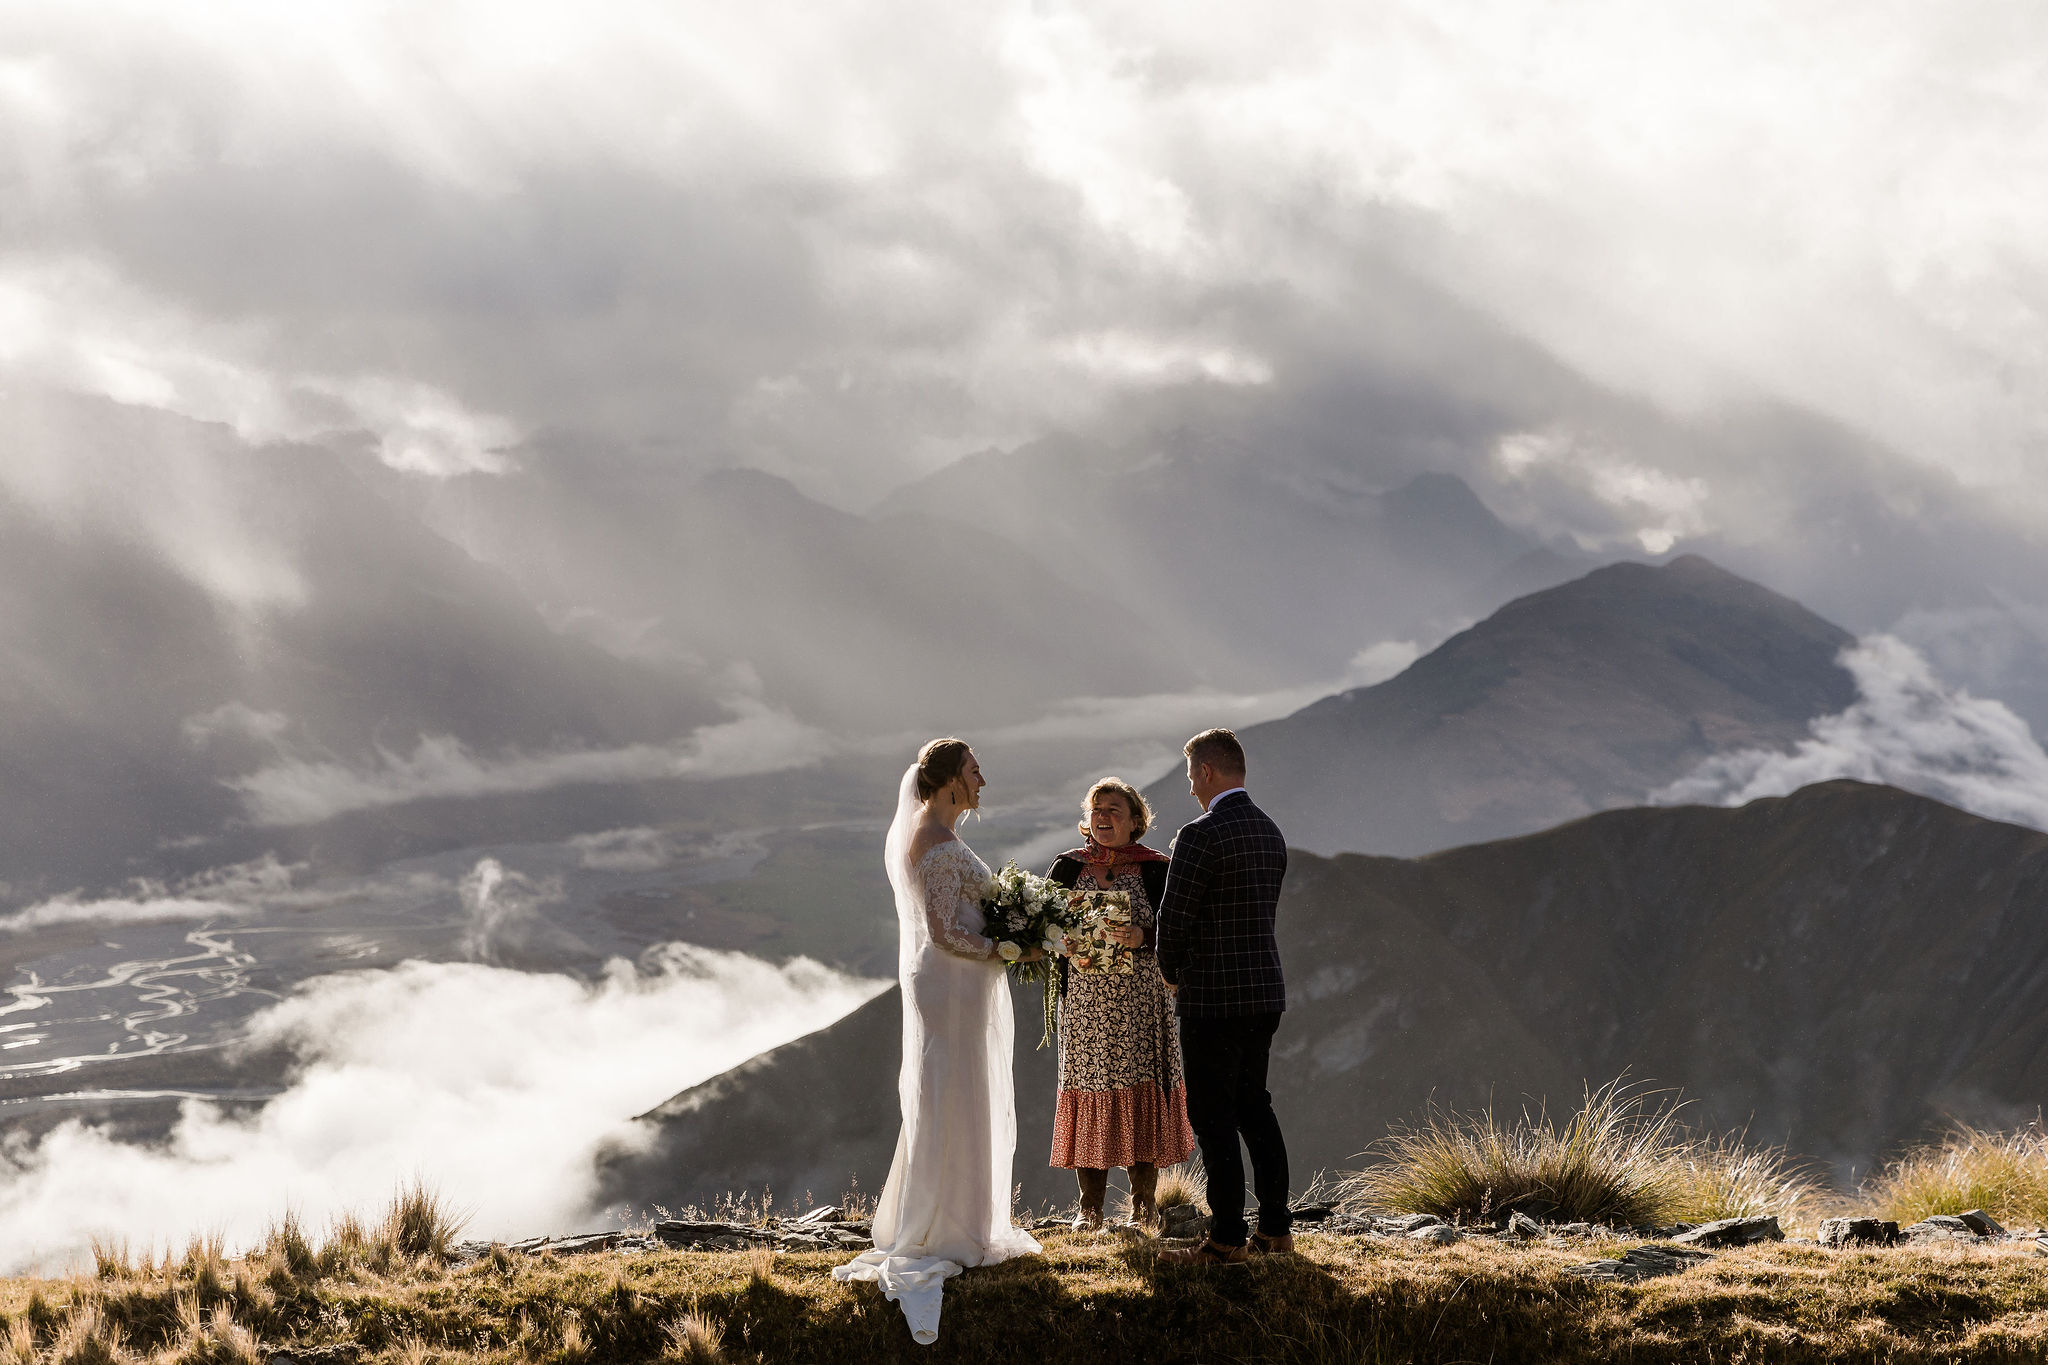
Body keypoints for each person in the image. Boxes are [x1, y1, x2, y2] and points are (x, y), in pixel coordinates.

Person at [833, 739, 1042, 1344]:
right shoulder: (933, 838)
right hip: (951, 983)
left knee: (960, 1091)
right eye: (976, 770)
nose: (985, 779)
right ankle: (947, 1226)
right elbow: (946, 932)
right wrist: (1015, 949)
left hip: (958, 985)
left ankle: (964, 1218)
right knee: (954, 1092)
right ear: (951, 779)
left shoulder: (934, 832)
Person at [1153, 727, 1293, 1266]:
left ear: (1207, 772)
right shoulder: (1270, 832)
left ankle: (1227, 1239)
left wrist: (1171, 973)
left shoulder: (1199, 835)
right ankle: (1276, 1230)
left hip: (1213, 998)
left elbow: (1174, 920)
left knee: (1213, 1118)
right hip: (1264, 993)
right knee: (1255, 1107)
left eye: (1191, 775)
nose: (1190, 787)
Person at [1043, 778, 1196, 1229]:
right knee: (1090, 1093)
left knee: (1141, 1094)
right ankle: (1089, 1210)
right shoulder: (1068, 867)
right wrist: (1060, 942)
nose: (1103, 817)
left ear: (1135, 821)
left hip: (1142, 1003)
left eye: (1113, 809)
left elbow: (1183, 928)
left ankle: (1143, 1205)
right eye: (1096, 810)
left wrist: (1143, 936)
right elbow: (1044, 928)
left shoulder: (1156, 868)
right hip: (1087, 1007)